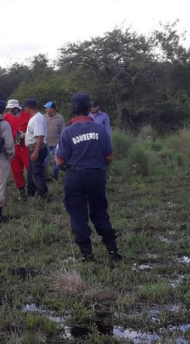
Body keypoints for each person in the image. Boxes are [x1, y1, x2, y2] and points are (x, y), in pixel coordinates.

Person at [56, 93, 120, 262]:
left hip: (74, 176)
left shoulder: (67, 132)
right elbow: (108, 157)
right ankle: (112, 251)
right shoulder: (100, 129)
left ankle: (87, 254)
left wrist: (68, 170)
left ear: (72, 109)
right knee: (100, 212)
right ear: (88, 108)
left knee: (77, 214)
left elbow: (60, 160)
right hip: (96, 175)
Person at [3, 99, 30, 199]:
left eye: (12, 109)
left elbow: (34, 130)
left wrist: (26, 135)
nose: (10, 111)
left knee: (30, 168)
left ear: (17, 108)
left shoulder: (27, 116)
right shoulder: (6, 117)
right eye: (8, 109)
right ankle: (22, 192)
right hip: (13, 146)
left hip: (26, 146)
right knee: (16, 171)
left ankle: (33, 189)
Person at [23, 99, 48, 200]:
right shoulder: (35, 118)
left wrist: (36, 151)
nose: (24, 110)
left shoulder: (37, 118)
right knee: (31, 172)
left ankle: (43, 195)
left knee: (36, 173)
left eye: (25, 107)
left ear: (29, 107)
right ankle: (31, 193)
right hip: (33, 148)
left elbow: (40, 136)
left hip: (36, 149)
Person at [44, 101, 66, 182]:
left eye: (47, 108)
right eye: (45, 108)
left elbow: (63, 131)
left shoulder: (60, 118)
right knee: (44, 161)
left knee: (56, 161)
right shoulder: (44, 117)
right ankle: (45, 176)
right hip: (46, 143)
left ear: (53, 109)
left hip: (56, 143)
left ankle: (55, 177)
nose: (46, 110)